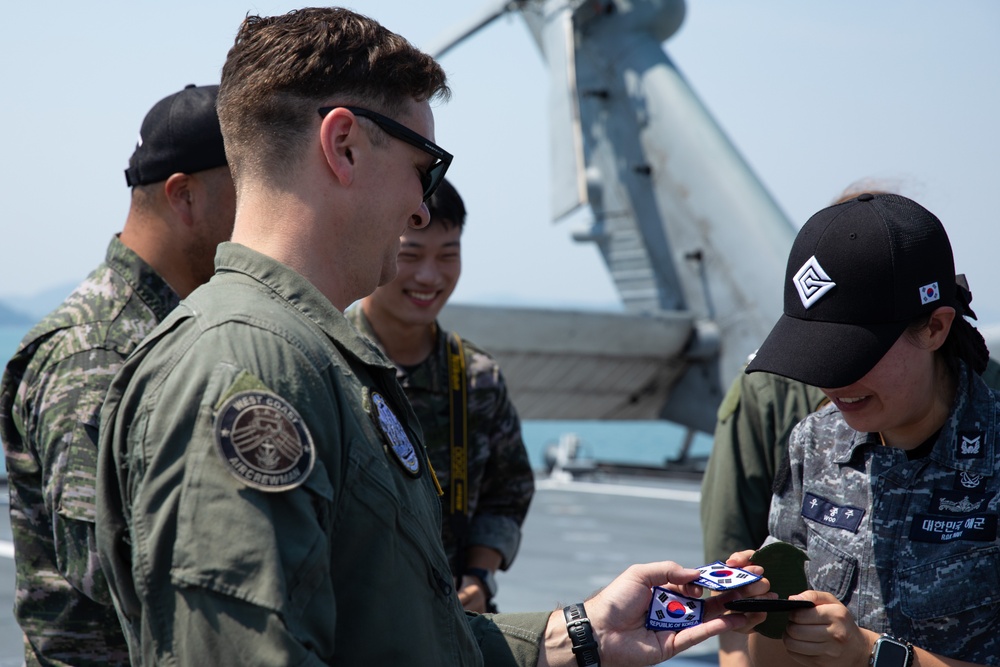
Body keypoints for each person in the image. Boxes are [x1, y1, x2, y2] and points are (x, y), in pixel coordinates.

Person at [94, 8, 768, 666]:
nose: (420, 206)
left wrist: (581, 633)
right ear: (344, 144)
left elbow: (401, 635)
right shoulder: (241, 367)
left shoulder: (305, 357)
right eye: (425, 167)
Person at [700, 185, 1000, 667]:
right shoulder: (813, 443)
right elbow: (770, 659)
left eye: (852, 356)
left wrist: (871, 655)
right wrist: (761, 608)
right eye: (816, 356)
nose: (833, 382)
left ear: (935, 328)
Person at [0, 84, 234, 666]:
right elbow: (109, 567)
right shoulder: (97, 350)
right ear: (185, 197)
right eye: (256, 190)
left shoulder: (176, 324)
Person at [346, 177, 534, 613]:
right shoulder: (328, 358)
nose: (429, 276)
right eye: (410, 255)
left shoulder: (476, 378)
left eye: (448, 255)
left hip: (452, 622)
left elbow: (508, 492)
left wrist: (479, 578)